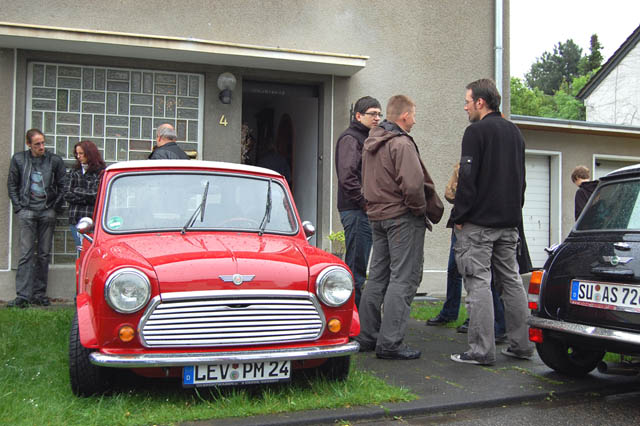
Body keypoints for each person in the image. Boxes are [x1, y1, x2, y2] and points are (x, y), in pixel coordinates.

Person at [450, 79, 534, 365]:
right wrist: (513, 212)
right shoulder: (515, 133)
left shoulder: (475, 132)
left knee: (478, 283)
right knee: (511, 282)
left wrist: (459, 216)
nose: (465, 107)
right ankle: (522, 345)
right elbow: (521, 180)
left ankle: (481, 351)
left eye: (467, 101)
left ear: (480, 102)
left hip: (478, 225)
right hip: (509, 224)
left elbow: (467, 178)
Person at [357, 95, 440, 360]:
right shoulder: (401, 143)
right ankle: (390, 343)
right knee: (404, 278)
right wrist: (418, 210)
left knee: (377, 277)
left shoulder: (371, 143)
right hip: (402, 218)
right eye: (413, 115)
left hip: (377, 217)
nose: (414, 120)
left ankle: (367, 336)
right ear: (404, 116)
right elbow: (413, 186)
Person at [6, 129, 67, 308]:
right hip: (27, 211)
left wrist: (54, 207)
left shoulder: (54, 160)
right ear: (28, 144)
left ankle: (39, 294)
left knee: (43, 254)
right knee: (26, 254)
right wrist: (19, 207)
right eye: (37, 144)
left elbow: (63, 185)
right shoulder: (19, 159)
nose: (41, 147)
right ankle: (23, 296)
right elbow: (12, 184)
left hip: (47, 212)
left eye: (43, 143)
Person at [335, 96, 381, 308]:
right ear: (359, 116)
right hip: (356, 211)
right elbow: (347, 177)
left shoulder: (367, 137)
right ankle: (352, 318)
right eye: (373, 114)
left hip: (362, 210)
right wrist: (365, 203)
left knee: (359, 267)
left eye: (379, 114)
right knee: (356, 269)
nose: (377, 118)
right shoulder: (351, 138)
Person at [64, 140, 106, 254]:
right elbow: (66, 194)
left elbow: (95, 194)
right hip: (76, 218)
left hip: (92, 220)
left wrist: (76, 190)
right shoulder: (74, 171)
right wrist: (86, 196)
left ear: (89, 153)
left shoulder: (100, 172)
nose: (78, 156)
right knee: (80, 251)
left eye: (81, 153)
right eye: (77, 154)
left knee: (92, 252)